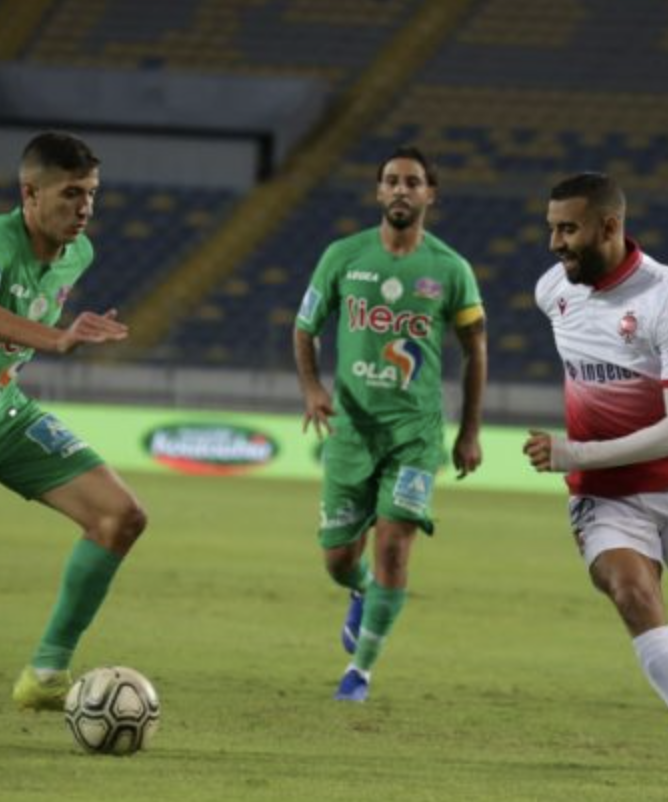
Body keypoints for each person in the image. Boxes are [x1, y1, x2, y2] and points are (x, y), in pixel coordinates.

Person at [0, 131, 146, 712]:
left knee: (120, 517)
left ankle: (45, 675)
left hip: (2, 416)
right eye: (70, 193)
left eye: (91, 193)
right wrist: (58, 338)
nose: (85, 208)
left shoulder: (79, 253)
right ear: (30, 193)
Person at [523, 171, 668, 786]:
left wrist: (575, 452)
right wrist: (584, 462)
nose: (555, 244)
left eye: (568, 230)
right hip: (605, 496)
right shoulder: (553, 291)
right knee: (631, 591)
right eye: (551, 229)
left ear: (610, 227)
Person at [293, 145, 487, 702]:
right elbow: (304, 327)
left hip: (415, 436)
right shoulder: (342, 257)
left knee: (395, 548)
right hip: (351, 431)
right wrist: (313, 389)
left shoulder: (451, 269)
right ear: (379, 191)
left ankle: (360, 671)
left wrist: (469, 431)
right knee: (338, 560)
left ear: (430, 194)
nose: (401, 189)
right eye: (392, 180)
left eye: (413, 182)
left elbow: (476, 349)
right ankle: (360, 590)